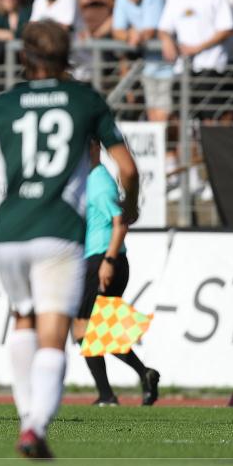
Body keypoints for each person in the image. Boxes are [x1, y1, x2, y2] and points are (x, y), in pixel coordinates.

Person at [0, 20, 140, 459]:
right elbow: (128, 167)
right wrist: (131, 204)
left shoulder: (0, 105)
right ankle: (36, 427)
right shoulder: (86, 100)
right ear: (67, 56)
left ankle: (27, 417)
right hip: (59, 231)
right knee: (53, 334)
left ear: (24, 56)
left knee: (21, 318)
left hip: (7, 231)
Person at [76, 140, 160, 407]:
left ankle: (108, 395)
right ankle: (141, 376)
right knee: (100, 330)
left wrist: (109, 260)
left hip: (103, 259)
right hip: (100, 258)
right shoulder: (88, 179)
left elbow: (120, 221)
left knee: (83, 328)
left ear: (92, 148)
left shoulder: (99, 182)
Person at [158, 0, 233, 121]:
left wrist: (197, 48)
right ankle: (188, 148)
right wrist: (167, 40)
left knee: (211, 119)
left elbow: (227, 29)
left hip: (210, 66)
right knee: (181, 119)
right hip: (182, 69)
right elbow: (164, 28)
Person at [111, 0, 172, 122]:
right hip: (148, 66)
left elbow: (151, 31)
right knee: (154, 116)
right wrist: (130, 34)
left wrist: (134, 34)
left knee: (167, 118)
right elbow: (117, 31)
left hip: (170, 66)